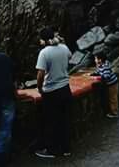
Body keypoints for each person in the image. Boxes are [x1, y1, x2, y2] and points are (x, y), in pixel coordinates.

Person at [34, 27, 72, 159]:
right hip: (66, 88)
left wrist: (39, 88)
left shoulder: (44, 53)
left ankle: (52, 150)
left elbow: (40, 74)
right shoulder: (64, 48)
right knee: (64, 120)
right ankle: (66, 148)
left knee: (51, 121)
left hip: (51, 91)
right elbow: (70, 57)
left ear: (43, 40)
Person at [90, 52, 119, 118]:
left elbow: (106, 76)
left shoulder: (105, 66)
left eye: (96, 59)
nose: (95, 60)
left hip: (113, 84)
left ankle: (115, 113)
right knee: (110, 98)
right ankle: (111, 110)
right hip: (109, 84)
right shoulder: (100, 65)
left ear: (100, 60)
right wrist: (93, 74)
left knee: (113, 98)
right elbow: (98, 71)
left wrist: (98, 77)